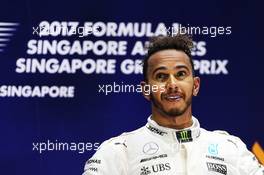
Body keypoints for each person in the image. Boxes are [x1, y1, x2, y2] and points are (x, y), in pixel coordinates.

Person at [82, 34, 264, 175]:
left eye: (181, 74)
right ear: (146, 90)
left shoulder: (230, 148)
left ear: (196, 85)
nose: (172, 85)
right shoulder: (118, 152)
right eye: (161, 76)